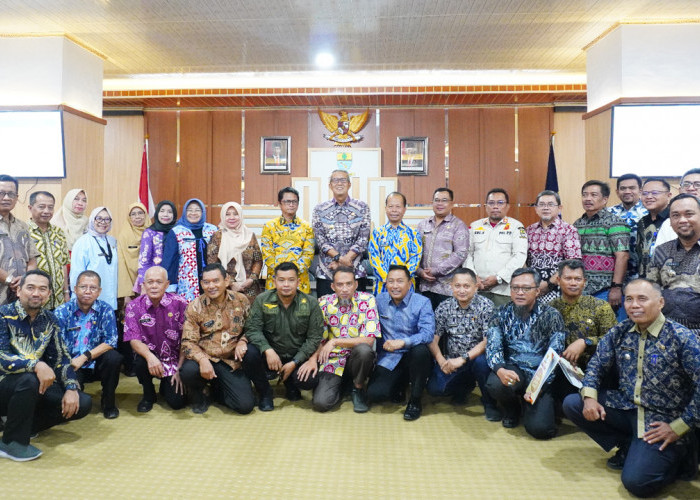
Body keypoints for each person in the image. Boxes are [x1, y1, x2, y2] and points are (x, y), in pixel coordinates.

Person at [563, 279, 700, 498]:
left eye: (642, 299)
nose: (634, 305)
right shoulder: (621, 331)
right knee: (574, 403)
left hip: (662, 419)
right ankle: (629, 445)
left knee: (636, 483)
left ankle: (682, 455)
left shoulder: (681, 338)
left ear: (661, 302)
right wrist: (589, 397)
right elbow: (597, 365)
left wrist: (679, 426)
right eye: (629, 299)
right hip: (626, 406)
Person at [0, 270, 91, 461]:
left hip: (32, 386)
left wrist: (71, 387)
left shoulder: (50, 320)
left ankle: (24, 426)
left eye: (42, 289)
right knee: (30, 378)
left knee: (82, 402)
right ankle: (11, 443)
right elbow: (2, 357)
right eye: (30, 288)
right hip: (5, 386)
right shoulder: (3, 315)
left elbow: (61, 358)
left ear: (49, 294)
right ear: (18, 291)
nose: (36, 293)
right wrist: (35, 365)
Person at [485, 267, 566, 439]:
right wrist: (500, 369)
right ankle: (512, 408)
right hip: (514, 369)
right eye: (515, 288)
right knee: (495, 383)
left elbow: (554, 356)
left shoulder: (551, 315)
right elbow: (493, 346)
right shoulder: (500, 313)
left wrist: (537, 387)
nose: (519, 292)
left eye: (526, 288)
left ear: (537, 291)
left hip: (541, 376)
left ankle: (531, 404)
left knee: (540, 430)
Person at [179, 263, 268, 414]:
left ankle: (216, 390)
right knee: (188, 371)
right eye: (206, 282)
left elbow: (252, 327)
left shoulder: (241, 300)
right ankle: (199, 396)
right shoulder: (194, 306)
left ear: (226, 281)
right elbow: (187, 342)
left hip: (230, 360)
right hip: (206, 358)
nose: (211, 286)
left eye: (216, 281)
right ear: (201, 284)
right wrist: (201, 359)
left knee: (245, 406)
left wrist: (243, 340)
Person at [244, 262, 324, 409]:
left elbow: (314, 338)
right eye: (281, 280)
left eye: (291, 280)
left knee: (309, 381)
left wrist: (295, 362)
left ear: (298, 282)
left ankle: (291, 384)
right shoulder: (262, 300)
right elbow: (252, 329)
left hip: (297, 355)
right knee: (249, 353)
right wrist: (267, 350)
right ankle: (265, 393)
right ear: (274, 281)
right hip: (270, 356)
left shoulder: (311, 303)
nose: (286, 284)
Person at [300, 266, 380, 412]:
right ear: (332, 286)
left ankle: (358, 388)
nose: (345, 289)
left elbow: (369, 340)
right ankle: (343, 384)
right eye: (340, 285)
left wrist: (335, 341)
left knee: (364, 350)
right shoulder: (324, 302)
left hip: (357, 358)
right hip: (333, 359)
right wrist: (313, 359)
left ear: (355, 284)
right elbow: (318, 337)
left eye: (349, 284)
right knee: (321, 403)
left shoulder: (367, 300)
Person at [426, 268, 499, 419]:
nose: (462, 290)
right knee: (435, 389)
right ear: (451, 286)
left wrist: (463, 358)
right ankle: (464, 388)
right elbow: (433, 338)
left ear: (475, 287)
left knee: (481, 362)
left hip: (476, 358)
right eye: (457, 286)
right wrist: (441, 360)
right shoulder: (445, 307)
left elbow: (487, 341)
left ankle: (489, 402)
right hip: (452, 360)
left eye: (466, 286)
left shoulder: (486, 306)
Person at [367, 265, 434, 421]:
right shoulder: (379, 300)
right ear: (386, 283)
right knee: (375, 394)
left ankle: (415, 401)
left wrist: (402, 342)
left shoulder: (422, 302)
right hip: (390, 357)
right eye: (391, 281)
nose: (395, 286)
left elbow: (427, 334)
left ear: (409, 284)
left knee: (421, 351)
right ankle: (401, 383)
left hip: (413, 355)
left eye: (400, 281)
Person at [54, 270, 123, 419]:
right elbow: (57, 346)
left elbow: (111, 340)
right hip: (72, 364)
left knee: (114, 358)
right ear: (75, 288)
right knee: (76, 406)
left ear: (99, 292)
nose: (87, 291)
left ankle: (108, 401)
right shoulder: (61, 312)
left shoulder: (106, 310)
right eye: (83, 287)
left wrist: (85, 356)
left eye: (93, 288)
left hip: (95, 361)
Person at [549, 259, 617, 401]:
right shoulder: (550, 309)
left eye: (578, 279)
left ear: (584, 281)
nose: (573, 283)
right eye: (568, 278)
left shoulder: (600, 306)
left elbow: (613, 340)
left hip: (595, 371)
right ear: (558, 280)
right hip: (560, 370)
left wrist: (586, 342)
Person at [124, 266, 188, 412]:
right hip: (150, 358)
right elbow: (133, 339)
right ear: (143, 285)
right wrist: (150, 357)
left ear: (167, 284)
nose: (154, 286)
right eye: (150, 282)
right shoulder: (133, 306)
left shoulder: (181, 304)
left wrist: (180, 368)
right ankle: (148, 394)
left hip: (174, 360)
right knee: (140, 360)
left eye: (159, 282)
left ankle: (167, 385)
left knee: (177, 403)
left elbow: (187, 339)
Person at [573, 180, 629, 315]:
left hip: (606, 290)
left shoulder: (615, 222)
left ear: (604, 199)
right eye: (585, 195)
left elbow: (622, 256)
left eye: (593, 195)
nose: (588, 199)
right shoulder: (577, 224)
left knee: (610, 331)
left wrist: (616, 287)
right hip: (582, 290)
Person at [646, 194, 700, 334]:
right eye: (675, 215)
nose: (682, 220)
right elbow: (651, 291)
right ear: (670, 221)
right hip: (666, 332)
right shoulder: (662, 251)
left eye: (689, 214)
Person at [312, 169, 371, 297]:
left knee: (357, 313)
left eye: (343, 180)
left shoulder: (362, 207)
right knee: (326, 313)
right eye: (335, 180)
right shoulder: (319, 209)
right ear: (330, 185)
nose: (339, 183)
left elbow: (363, 239)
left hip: (355, 271)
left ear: (349, 184)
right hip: (327, 271)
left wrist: (346, 260)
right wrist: (341, 259)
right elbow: (321, 240)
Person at [465, 188, 527, 307]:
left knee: (502, 323)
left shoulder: (516, 227)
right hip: (477, 288)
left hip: (503, 290)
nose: (495, 206)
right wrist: (473, 277)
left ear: (507, 206)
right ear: (485, 206)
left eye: (500, 203)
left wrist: (498, 278)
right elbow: (467, 254)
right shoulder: (474, 226)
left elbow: (519, 256)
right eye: (491, 203)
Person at [416, 187, 469, 310]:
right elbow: (414, 251)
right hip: (424, 286)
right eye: (437, 200)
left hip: (446, 288)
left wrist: (436, 270)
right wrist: (419, 271)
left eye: (444, 200)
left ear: (451, 204)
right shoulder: (422, 224)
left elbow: (460, 253)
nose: (440, 203)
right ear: (432, 202)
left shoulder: (458, 225)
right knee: (426, 323)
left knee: (445, 325)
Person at [525, 190, 581, 303]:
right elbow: (523, 259)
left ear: (559, 208)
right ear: (536, 208)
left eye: (550, 204)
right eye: (541, 205)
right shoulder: (529, 230)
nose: (546, 208)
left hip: (557, 289)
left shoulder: (568, 230)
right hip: (533, 288)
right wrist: (531, 283)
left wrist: (549, 284)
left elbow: (572, 263)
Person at [260, 187, 315, 294]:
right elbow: (268, 254)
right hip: (276, 281)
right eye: (287, 201)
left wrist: (292, 275)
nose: (291, 204)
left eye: (294, 201)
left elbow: (308, 254)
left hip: (299, 281)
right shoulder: (269, 226)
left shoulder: (306, 227)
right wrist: (282, 275)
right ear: (280, 204)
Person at [206, 202, 262, 304]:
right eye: (227, 214)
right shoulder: (217, 236)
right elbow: (212, 264)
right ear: (223, 216)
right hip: (225, 289)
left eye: (235, 214)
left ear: (240, 215)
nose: (232, 217)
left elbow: (258, 260)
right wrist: (231, 282)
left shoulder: (250, 235)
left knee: (250, 318)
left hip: (250, 290)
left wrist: (251, 280)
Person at [163, 198, 217, 302]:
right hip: (186, 283)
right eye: (189, 210)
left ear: (203, 212)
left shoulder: (212, 230)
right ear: (184, 212)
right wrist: (170, 287)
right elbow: (169, 262)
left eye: (197, 210)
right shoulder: (176, 232)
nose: (193, 213)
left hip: (211, 281)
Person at [368, 192, 422, 295]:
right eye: (390, 206)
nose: (394, 210)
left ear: (404, 209)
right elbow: (374, 257)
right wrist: (388, 279)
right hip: (382, 285)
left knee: (406, 310)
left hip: (406, 286)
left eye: (398, 207)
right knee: (382, 310)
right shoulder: (377, 232)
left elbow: (415, 258)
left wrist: (402, 280)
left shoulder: (413, 233)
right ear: (385, 208)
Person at [70, 207, 118, 310]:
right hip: (87, 300)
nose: (103, 222)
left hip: (110, 298)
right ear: (92, 220)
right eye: (99, 218)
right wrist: (76, 299)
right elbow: (76, 274)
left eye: (107, 219)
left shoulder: (112, 241)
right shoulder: (82, 242)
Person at [0, 175, 38, 306]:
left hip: (20, 297)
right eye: (1, 193)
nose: (6, 198)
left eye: (10, 194)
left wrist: (26, 279)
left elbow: (32, 257)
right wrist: (10, 280)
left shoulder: (22, 226)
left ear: (16, 198)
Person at [27, 191, 69, 309]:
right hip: (35, 301)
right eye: (41, 207)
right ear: (30, 208)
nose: (46, 211)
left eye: (50, 207)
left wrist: (66, 293)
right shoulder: (23, 232)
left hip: (59, 301)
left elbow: (63, 264)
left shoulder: (59, 233)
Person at [608, 174, 648, 279]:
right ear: (617, 192)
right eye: (623, 188)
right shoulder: (608, 213)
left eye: (632, 188)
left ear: (640, 190)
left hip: (643, 274)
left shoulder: (649, 211)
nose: (627, 191)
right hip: (615, 274)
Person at [134, 200, 177, 294]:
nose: (166, 214)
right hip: (153, 283)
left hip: (174, 282)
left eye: (170, 212)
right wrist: (144, 284)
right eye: (162, 211)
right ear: (157, 213)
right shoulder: (149, 233)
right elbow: (143, 261)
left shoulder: (178, 231)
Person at [654, 168, 700, 247]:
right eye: (686, 184)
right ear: (680, 190)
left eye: (698, 185)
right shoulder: (669, 223)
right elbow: (659, 256)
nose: (691, 188)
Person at [635, 178, 672, 278]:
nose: (649, 197)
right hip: (645, 280)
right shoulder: (642, 222)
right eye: (645, 193)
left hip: (670, 279)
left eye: (655, 193)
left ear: (669, 196)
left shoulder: (674, 220)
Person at [117, 202, 150, 304]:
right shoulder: (124, 235)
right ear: (129, 217)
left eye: (140, 213)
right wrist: (127, 293)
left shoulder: (152, 232)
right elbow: (122, 265)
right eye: (133, 214)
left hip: (150, 284)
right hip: (131, 286)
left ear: (145, 215)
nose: (137, 216)